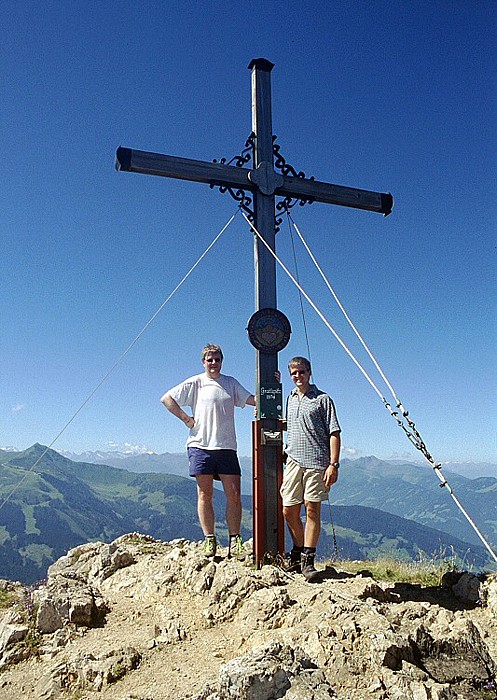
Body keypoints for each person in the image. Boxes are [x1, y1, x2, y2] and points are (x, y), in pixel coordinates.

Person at [161, 344, 255, 558]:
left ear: (222, 361)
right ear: (203, 362)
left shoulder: (230, 383)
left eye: (217, 359)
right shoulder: (196, 382)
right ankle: (210, 540)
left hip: (226, 446)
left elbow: (251, 400)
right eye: (209, 360)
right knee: (205, 494)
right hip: (200, 445)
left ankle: (235, 540)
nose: (213, 363)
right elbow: (167, 398)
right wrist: (186, 419)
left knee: (234, 495)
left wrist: (272, 385)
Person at [280, 356, 341, 582]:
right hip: (293, 461)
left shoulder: (323, 400)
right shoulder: (290, 399)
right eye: (293, 373)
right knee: (288, 510)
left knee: (312, 510)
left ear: (309, 372)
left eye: (301, 372)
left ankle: (307, 559)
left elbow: (334, 433)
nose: (298, 376)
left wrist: (333, 464)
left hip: (317, 462)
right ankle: (298, 549)